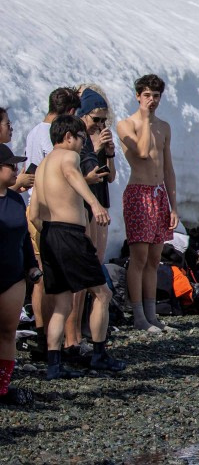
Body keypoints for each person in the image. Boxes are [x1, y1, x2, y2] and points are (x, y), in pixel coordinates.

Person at [30, 115, 125, 378]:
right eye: (81, 138)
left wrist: (49, 234)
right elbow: (73, 173)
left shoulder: (42, 166)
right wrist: (94, 204)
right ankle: (99, 354)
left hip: (49, 233)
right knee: (103, 294)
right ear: (69, 136)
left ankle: (54, 365)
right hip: (70, 233)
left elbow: (34, 213)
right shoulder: (68, 157)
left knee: (62, 304)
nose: (82, 143)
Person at [117, 74, 178, 333]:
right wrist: (143, 118)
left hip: (158, 193)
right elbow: (141, 152)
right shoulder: (126, 124)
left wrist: (173, 205)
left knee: (155, 258)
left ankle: (152, 314)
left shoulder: (163, 127)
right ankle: (139, 315)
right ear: (138, 96)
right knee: (138, 256)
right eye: (147, 96)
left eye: (155, 96)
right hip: (138, 191)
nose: (151, 101)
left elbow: (167, 167)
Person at [23, 87, 82, 358]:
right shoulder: (54, 136)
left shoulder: (34, 131)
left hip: (35, 208)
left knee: (41, 276)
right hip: (51, 212)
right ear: (70, 112)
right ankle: (53, 337)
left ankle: (42, 332)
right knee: (52, 279)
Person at [64, 88, 114, 360]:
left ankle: (80, 333)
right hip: (84, 209)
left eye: (104, 120)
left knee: (92, 271)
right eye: (96, 119)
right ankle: (72, 338)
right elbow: (78, 175)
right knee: (82, 277)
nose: (100, 125)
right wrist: (94, 149)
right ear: (82, 116)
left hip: (98, 205)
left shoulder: (92, 139)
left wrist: (109, 153)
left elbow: (109, 177)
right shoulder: (75, 142)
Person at [0, 138, 39, 404]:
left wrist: (32, 267)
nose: (16, 171)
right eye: (9, 166)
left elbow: (24, 237)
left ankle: (2, 388)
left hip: (13, 276)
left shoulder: (15, 198)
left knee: (7, 332)